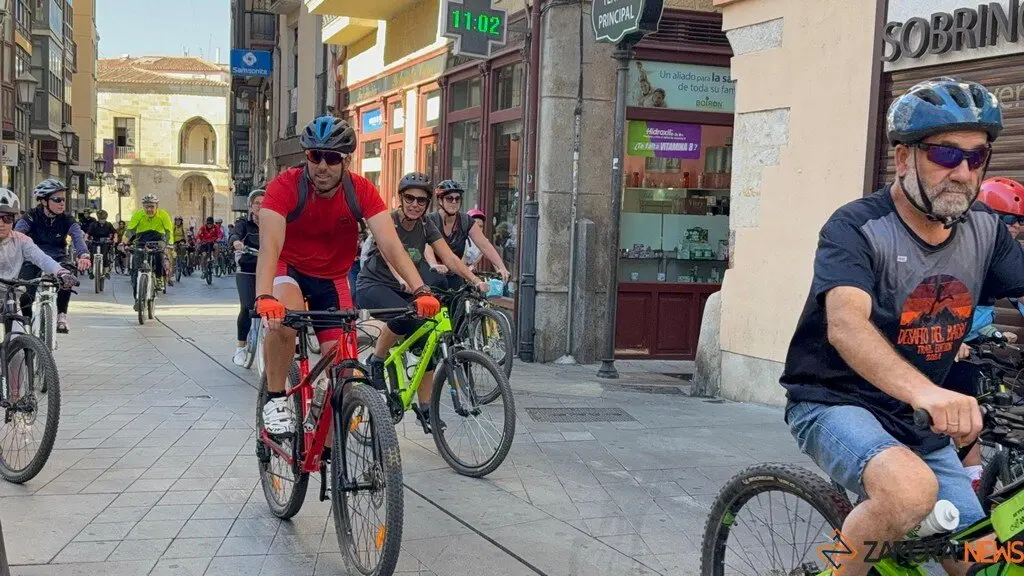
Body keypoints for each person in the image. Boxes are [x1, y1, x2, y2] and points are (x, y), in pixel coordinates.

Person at [780, 77, 1024, 576]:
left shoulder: (985, 228)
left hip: (920, 424)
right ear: (904, 158)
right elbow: (846, 324)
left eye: (976, 157)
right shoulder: (857, 227)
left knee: (984, 565)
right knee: (909, 492)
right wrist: (928, 393)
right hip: (836, 403)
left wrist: (926, 400)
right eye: (946, 154)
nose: (962, 173)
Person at [255, 115, 440, 435]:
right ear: (307, 156)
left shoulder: (361, 190)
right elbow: (270, 246)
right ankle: (275, 397)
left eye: (332, 158)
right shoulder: (285, 186)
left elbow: (391, 245)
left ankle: (329, 457)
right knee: (283, 318)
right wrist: (264, 296)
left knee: (344, 375)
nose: (322, 166)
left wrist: (420, 289)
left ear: (346, 161)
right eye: (315, 156)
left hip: (332, 279)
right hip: (290, 268)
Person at [358, 172, 490, 432]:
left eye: (421, 200)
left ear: (428, 203)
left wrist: (474, 280)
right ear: (401, 198)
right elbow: (390, 254)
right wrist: (404, 280)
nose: (415, 204)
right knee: (404, 316)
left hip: (408, 288)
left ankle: (426, 409)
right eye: (409, 198)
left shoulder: (426, 225)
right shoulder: (389, 221)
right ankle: (376, 359)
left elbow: (449, 257)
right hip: (373, 286)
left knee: (427, 340)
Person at [15, 178, 90, 333]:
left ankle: (62, 315)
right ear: (44, 201)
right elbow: (17, 234)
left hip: (58, 256)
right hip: (33, 257)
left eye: (64, 199)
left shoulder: (67, 219)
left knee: (68, 275)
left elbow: (77, 236)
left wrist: (83, 254)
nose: (62, 203)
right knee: (25, 293)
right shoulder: (31, 215)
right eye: (57, 199)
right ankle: (26, 324)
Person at [424, 180, 510, 289]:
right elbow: (428, 246)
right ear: (440, 200)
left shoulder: (465, 221)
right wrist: (433, 264)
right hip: (431, 274)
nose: (454, 202)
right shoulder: (431, 220)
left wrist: (501, 267)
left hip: (455, 273)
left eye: (457, 198)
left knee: (463, 296)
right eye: (449, 198)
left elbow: (484, 245)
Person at [0, 188, 76, 299]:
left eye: (7, 218)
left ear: (14, 219)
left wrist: (61, 272)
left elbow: (42, 258)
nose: (1, 224)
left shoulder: (21, 240)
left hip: (10, 296)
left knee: (20, 308)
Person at [230, 189, 262, 366]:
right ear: (250, 206)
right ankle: (240, 348)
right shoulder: (243, 223)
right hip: (247, 269)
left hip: (268, 271)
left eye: (264, 203)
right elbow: (235, 234)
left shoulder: (272, 222)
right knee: (247, 307)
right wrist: (236, 242)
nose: (260, 206)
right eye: (257, 203)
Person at [125, 194, 174, 295]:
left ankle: (159, 278)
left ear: (157, 206)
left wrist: (168, 244)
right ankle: (136, 286)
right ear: (143, 206)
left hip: (158, 239)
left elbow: (168, 231)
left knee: (159, 255)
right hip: (141, 239)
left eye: (152, 206)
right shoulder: (138, 214)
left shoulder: (163, 215)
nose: (149, 209)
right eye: (146, 206)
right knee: (136, 261)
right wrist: (124, 242)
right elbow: (130, 230)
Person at [86, 209, 117, 279]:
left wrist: (115, 238)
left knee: (105, 255)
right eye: (100, 219)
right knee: (92, 255)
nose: (102, 220)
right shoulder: (93, 224)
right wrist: (86, 238)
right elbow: (88, 233)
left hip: (105, 242)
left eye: (103, 219)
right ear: (98, 218)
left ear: (106, 218)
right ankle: (91, 271)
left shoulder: (108, 224)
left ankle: (106, 272)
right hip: (95, 241)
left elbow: (114, 232)